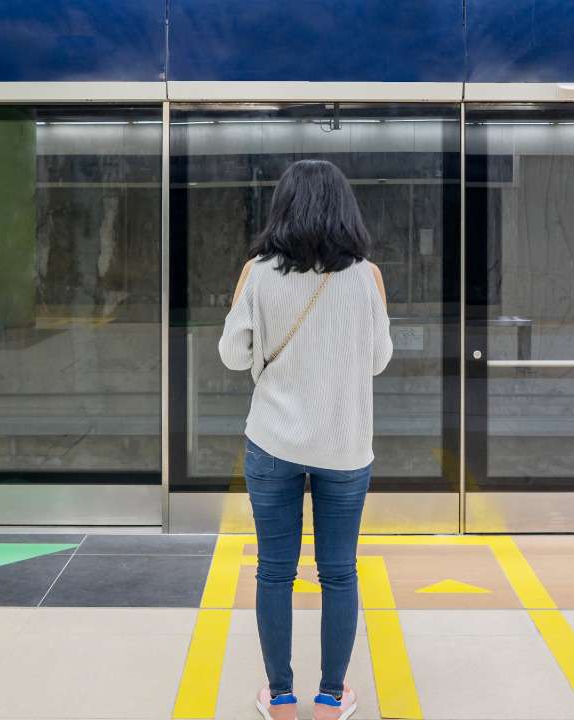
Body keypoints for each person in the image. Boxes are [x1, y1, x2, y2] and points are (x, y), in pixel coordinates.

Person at [219, 159, 392, 720]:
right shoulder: (367, 276)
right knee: (339, 571)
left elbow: (234, 355)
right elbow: (378, 360)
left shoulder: (259, 273)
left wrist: (244, 299)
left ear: (283, 207)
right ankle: (331, 696)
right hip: (344, 446)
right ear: (345, 209)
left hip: (272, 443)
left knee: (275, 569)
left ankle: (281, 695)